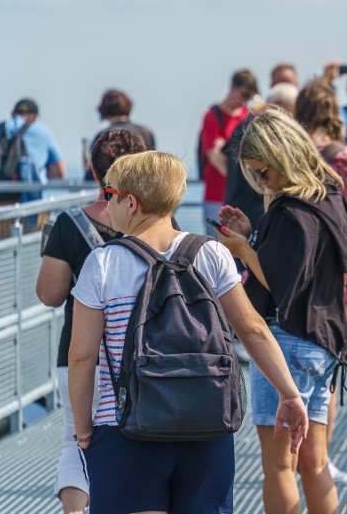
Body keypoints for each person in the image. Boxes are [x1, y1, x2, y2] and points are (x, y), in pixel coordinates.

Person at [67, 151, 308, 514]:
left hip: (125, 428)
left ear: (131, 202)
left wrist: (84, 430)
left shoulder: (103, 262)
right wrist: (289, 393)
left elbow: (82, 356)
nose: (107, 205)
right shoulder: (212, 253)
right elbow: (253, 330)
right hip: (206, 424)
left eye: (110, 195)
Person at [215, 109, 347, 514]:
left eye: (264, 172)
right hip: (325, 341)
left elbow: (281, 283)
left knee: (279, 464)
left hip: (286, 342)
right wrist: (252, 236)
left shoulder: (291, 212)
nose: (261, 181)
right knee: (315, 463)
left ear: (282, 157)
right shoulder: (329, 197)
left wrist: (242, 249)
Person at [36, 129, 146, 514]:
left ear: (93, 170)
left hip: (79, 352)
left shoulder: (68, 223)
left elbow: (49, 294)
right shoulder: (156, 222)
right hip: (140, 356)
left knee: (74, 440)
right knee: (141, 441)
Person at [294, 80, 347, 484]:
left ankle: (290, 453)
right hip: (342, 271)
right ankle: (321, 455)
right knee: (333, 357)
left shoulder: (293, 154)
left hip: (298, 268)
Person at [198, 69, 256, 236]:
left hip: (241, 196)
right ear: (232, 88)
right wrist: (238, 175)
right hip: (216, 194)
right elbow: (214, 156)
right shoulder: (213, 115)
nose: (244, 101)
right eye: (242, 95)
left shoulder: (247, 116)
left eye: (248, 97)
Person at [0, 97, 65, 204]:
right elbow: (59, 171)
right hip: (30, 207)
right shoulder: (42, 132)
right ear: (35, 117)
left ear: (12, 113)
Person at [83, 89, 155, 180]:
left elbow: (93, 175)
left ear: (103, 109)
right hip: (141, 187)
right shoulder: (146, 132)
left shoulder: (103, 135)